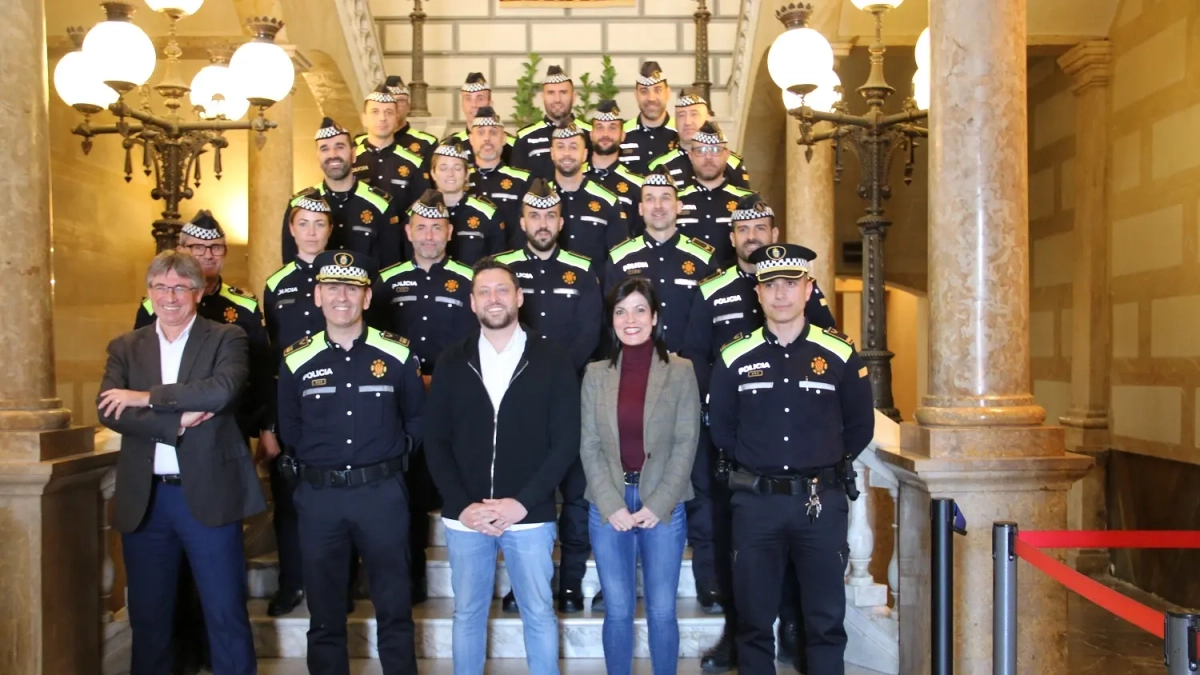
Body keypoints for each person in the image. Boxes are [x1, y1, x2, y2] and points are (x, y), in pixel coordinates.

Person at [682, 194, 836, 672]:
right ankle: (738, 632)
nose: (752, 236)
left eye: (760, 228)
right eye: (743, 230)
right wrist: (721, 419)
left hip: (797, 447)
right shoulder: (712, 289)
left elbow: (828, 350)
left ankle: (791, 627)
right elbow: (696, 357)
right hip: (733, 447)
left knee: (796, 545)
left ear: (774, 234)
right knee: (736, 544)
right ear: (732, 238)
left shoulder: (806, 290)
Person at [708, 244, 875, 675]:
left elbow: (860, 426)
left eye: (790, 283)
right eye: (770, 285)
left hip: (819, 503)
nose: (780, 293)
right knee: (753, 622)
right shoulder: (733, 355)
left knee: (825, 622)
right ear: (758, 293)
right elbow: (721, 427)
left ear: (808, 289)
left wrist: (823, 462)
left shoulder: (838, 353)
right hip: (756, 505)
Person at [98, 250, 264, 675]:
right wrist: (175, 422)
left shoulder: (227, 337)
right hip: (147, 500)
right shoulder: (125, 346)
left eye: (179, 288)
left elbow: (221, 391)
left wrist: (144, 397)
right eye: (160, 287)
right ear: (149, 291)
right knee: (149, 617)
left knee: (225, 611)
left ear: (199, 292)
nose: (169, 297)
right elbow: (109, 410)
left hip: (209, 493)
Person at [424, 257, 581, 675]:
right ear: (472, 302)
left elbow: (565, 442)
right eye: (484, 291)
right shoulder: (451, 360)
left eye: (502, 290)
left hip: (530, 515)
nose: (493, 298)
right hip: (466, 517)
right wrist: (462, 505)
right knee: (467, 614)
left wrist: (522, 503)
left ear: (519, 297)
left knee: (538, 613)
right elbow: (435, 441)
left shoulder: (552, 358)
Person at [277, 250, 425, 675]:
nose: (342, 297)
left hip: (381, 495)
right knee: (324, 612)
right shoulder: (295, 359)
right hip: (319, 498)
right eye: (332, 288)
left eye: (352, 289)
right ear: (317, 295)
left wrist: (390, 455)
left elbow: (417, 419)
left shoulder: (397, 353)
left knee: (394, 606)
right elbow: (290, 427)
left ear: (367, 297)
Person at [579, 276, 700, 675]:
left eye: (639, 310)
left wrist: (659, 503)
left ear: (655, 317)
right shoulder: (595, 373)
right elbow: (589, 445)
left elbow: (686, 442)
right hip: (609, 504)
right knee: (617, 611)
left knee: (662, 611)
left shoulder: (680, 371)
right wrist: (610, 504)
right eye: (620, 311)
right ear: (611, 319)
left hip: (662, 505)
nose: (630, 320)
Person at [493, 179, 602, 614]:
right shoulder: (502, 270)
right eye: (534, 216)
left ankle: (570, 582)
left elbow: (589, 332)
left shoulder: (582, 270)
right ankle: (522, 584)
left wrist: (552, 376)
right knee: (525, 495)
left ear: (561, 222)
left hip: (570, 398)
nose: (542, 223)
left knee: (575, 498)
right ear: (522, 222)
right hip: (517, 402)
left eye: (550, 216)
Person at [261, 194, 336, 618]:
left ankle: (336, 586)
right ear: (291, 230)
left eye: (319, 223)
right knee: (288, 507)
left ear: (330, 230)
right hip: (291, 412)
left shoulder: (346, 276)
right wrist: (268, 425)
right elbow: (270, 360)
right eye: (303, 223)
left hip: (337, 408)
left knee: (335, 505)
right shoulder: (277, 283)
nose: (311, 231)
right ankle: (291, 584)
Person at [282, 117, 404, 268]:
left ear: (353, 154)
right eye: (324, 149)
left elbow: (390, 267)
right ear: (317, 156)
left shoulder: (381, 204)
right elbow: (290, 265)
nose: (332, 154)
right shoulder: (299, 204)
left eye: (339, 147)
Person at [552, 122, 628, 279]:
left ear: (585, 154)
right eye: (560, 147)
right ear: (552, 153)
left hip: (595, 290)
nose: (567, 153)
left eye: (574, 147)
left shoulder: (608, 201)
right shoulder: (535, 201)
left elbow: (620, 259)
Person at [676, 122, 753, 267]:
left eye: (716, 150)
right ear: (691, 156)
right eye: (701, 151)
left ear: (727, 155)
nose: (708, 157)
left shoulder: (746, 201)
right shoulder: (675, 200)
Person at [647, 89, 752, 192]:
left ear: (708, 118)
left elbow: (744, 200)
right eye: (681, 115)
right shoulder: (660, 165)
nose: (688, 122)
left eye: (694, 114)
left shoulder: (732, 163)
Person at [353, 84, 430, 207]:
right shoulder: (351, 159)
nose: (382, 118)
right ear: (364, 119)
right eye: (375, 112)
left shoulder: (414, 163)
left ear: (396, 119)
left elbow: (420, 208)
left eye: (389, 113)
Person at [429, 142, 506, 266]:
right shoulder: (417, 214)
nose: (450, 174)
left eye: (457, 168)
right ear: (433, 173)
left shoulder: (487, 214)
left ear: (467, 174)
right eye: (443, 168)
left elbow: (497, 264)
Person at [512, 65, 593, 180]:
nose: (557, 99)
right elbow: (518, 182)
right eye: (551, 93)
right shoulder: (525, 138)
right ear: (542, 97)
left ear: (574, 97)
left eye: (563, 92)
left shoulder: (590, 134)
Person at [466, 105, 532, 243]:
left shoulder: (522, 180)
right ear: (471, 139)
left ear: (503, 139)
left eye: (493, 132)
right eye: (481, 132)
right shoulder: (460, 179)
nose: (487, 138)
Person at [586, 100, 646, 237]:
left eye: (612, 128)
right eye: (599, 127)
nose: (605, 134)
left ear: (622, 135)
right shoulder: (575, 178)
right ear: (591, 134)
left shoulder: (638, 186)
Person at [443, 72, 516, 166]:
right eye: (468, 99)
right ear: (462, 104)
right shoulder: (449, 146)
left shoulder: (513, 146)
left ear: (490, 104)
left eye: (480, 99)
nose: (474, 105)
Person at [618, 61, 678, 175]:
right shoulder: (621, 134)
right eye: (644, 91)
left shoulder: (681, 134)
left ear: (668, 93)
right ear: (636, 95)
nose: (651, 98)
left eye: (657, 90)